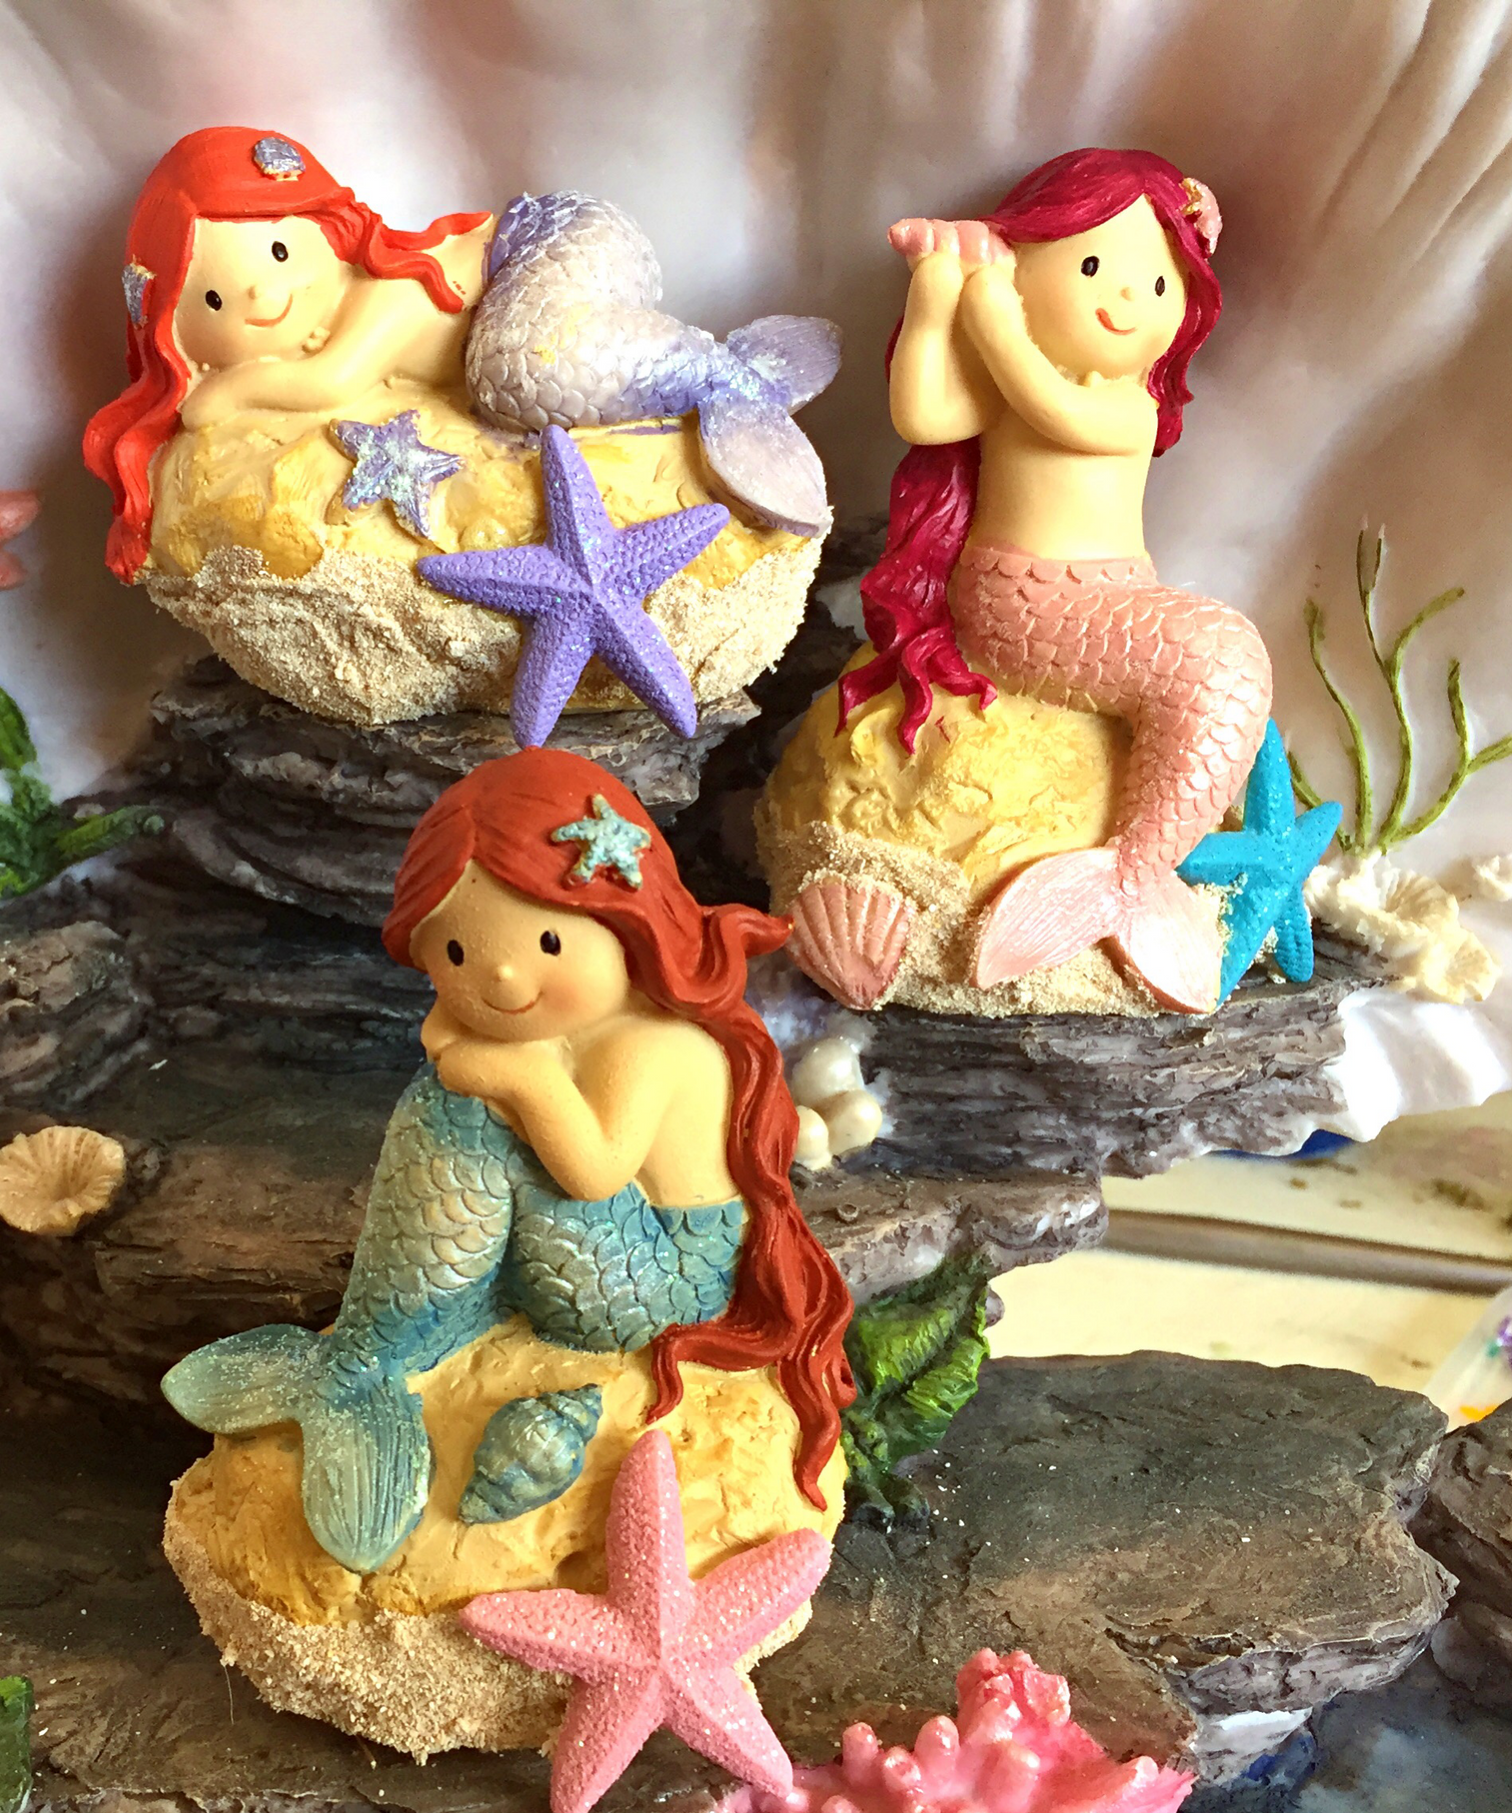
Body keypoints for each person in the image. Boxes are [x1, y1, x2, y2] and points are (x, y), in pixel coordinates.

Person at [164, 747, 855, 1574]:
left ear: (627, 920)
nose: (498, 975)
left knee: (466, 1108)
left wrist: (517, 1076)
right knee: (460, 1099)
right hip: (606, 1252)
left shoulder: (651, 1044)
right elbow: (454, 1037)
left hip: (664, 1278)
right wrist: (495, 1064)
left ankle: (369, 1363)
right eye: (455, 957)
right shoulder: (575, 1029)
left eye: (550, 940)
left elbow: (593, 1173)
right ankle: (379, 1352)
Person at [846, 149, 1271, 1011]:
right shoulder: (1012, 383)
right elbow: (924, 415)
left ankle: (1132, 875)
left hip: (1107, 601)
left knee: (1221, 662)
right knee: (1218, 655)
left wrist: (994, 314)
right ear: (1025, 253)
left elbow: (1056, 410)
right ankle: (1124, 882)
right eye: (1091, 267)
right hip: (1023, 608)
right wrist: (934, 293)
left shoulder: (1128, 403)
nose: (1127, 299)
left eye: (1159, 285)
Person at [83, 126, 490, 581]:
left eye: (280, 252)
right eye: (215, 300)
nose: (262, 295)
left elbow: (333, 382)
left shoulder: (394, 292)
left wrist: (232, 388)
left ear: (329, 230)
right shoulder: (326, 332)